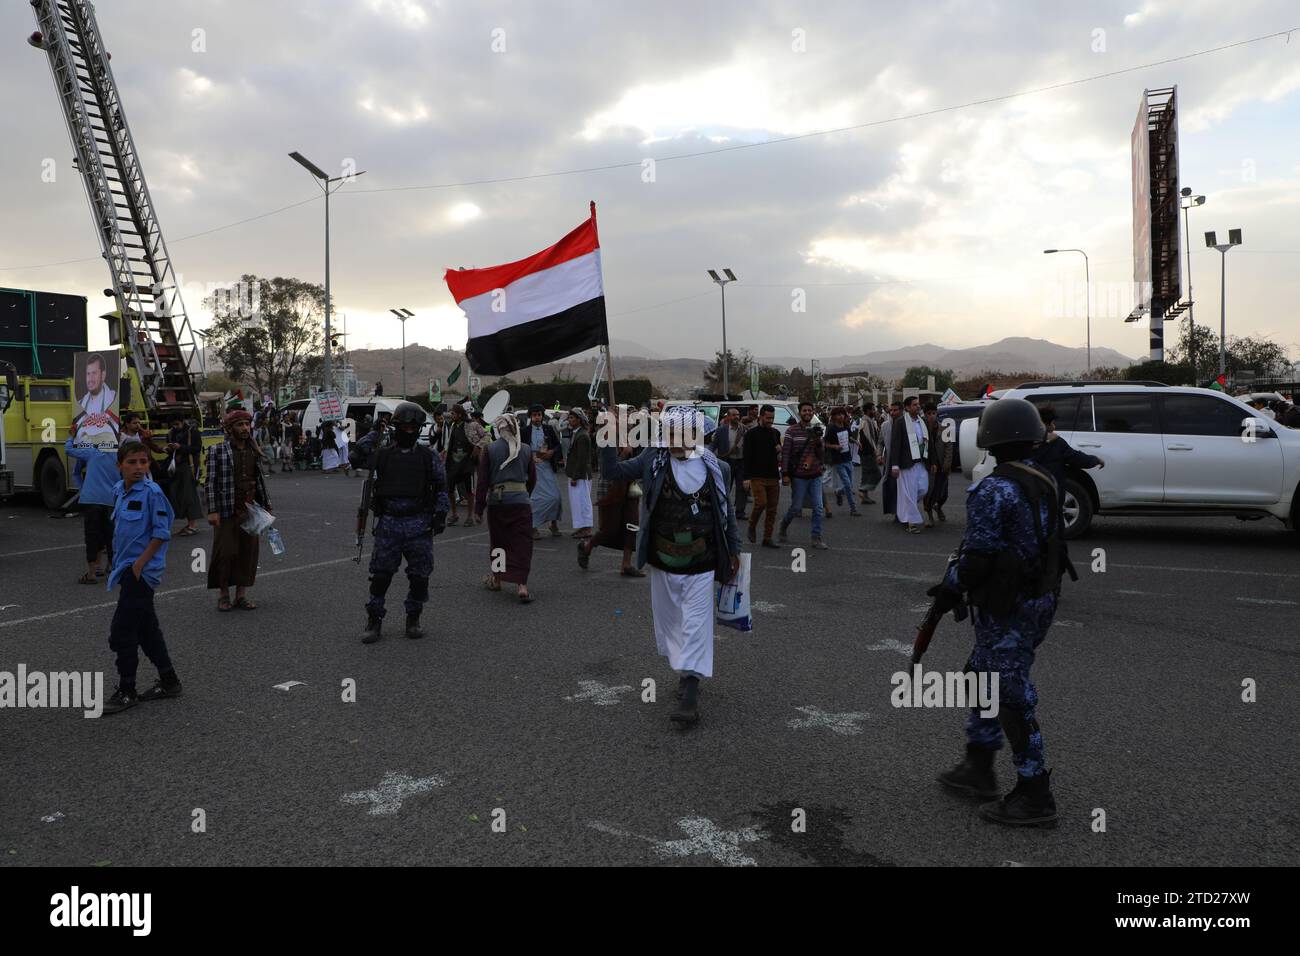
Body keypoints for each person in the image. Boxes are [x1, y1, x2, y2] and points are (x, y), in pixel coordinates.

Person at [931, 397, 1069, 826]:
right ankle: (979, 764)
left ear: (989, 439)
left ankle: (1034, 792)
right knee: (981, 675)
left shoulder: (993, 488)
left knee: (1009, 694)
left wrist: (950, 590)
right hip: (1039, 598)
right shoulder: (1043, 477)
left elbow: (978, 555)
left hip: (1007, 605)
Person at [598, 405, 741, 728]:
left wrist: (734, 550)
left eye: (681, 434)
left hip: (702, 561)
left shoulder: (718, 468)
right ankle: (685, 670)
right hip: (663, 561)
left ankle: (690, 693)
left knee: (695, 624)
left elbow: (726, 513)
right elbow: (613, 473)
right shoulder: (653, 459)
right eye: (670, 433)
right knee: (672, 624)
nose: (674, 440)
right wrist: (607, 435)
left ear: (697, 436)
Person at [355, 402, 449, 642]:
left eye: (412, 427)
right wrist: (375, 432)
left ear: (418, 430)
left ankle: (413, 618)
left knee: (420, 576)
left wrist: (440, 514)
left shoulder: (428, 457)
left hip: (419, 524)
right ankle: (374, 620)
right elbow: (355, 455)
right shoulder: (382, 453)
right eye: (404, 426)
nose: (408, 431)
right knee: (381, 576)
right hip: (389, 523)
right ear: (396, 427)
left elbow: (441, 487)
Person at [101, 441, 182, 715]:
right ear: (119, 465)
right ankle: (169, 680)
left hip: (142, 573)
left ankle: (127, 690)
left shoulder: (152, 493)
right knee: (147, 630)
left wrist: (139, 565)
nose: (138, 467)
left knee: (121, 632)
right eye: (132, 462)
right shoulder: (118, 491)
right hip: (125, 569)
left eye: (143, 462)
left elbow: (161, 533)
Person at [204, 408, 270, 611]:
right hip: (226, 510)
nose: (244, 428)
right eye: (239, 425)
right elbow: (210, 482)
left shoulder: (253, 450)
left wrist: (266, 507)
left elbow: (258, 482)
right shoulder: (217, 450)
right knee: (225, 553)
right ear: (230, 428)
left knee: (248, 553)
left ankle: (241, 595)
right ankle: (223, 595)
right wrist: (212, 510)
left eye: (246, 424)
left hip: (250, 509)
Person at [475, 410, 537, 602]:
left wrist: (478, 508)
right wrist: (523, 493)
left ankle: (498, 578)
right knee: (522, 542)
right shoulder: (526, 449)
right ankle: (522, 585)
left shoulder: (490, 449)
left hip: (498, 502)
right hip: (521, 501)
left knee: (499, 541)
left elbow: (483, 481)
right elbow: (532, 479)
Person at [1027, 406, 1104, 521]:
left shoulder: (1023, 444)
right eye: (1052, 423)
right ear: (1045, 424)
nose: (1054, 427)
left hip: (1031, 492)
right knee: (1053, 526)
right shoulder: (1056, 443)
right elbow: (1075, 458)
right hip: (1052, 492)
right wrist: (1095, 460)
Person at [577, 444, 641, 575]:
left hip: (629, 485)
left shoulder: (632, 434)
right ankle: (587, 547)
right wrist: (624, 454)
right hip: (610, 487)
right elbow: (608, 466)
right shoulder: (606, 436)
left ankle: (626, 565)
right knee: (609, 529)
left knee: (632, 525)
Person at [65, 429, 119, 583]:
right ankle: (114, 568)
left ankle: (92, 573)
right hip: (110, 500)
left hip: (92, 500)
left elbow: (68, 449)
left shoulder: (91, 453)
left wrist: (71, 435)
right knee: (111, 536)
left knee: (92, 536)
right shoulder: (118, 456)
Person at [778, 401, 828, 549]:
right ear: (800, 413)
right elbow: (786, 453)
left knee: (818, 508)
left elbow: (821, 454)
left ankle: (816, 538)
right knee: (796, 507)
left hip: (815, 475)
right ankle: (783, 526)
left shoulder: (817, 430)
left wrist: (818, 442)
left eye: (810, 410)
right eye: (804, 410)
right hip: (799, 476)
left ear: (813, 413)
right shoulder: (791, 431)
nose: (807, 413)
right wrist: (785, 474)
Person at [742, 404, 782, 548]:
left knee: (772, 509)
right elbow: (746, 457)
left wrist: (779, 450)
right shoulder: (751, 434)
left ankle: (767, 537)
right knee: (761, 503)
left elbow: (779, 456)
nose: (770, 420)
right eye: (768, 418)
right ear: (760, 417)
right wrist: (746, 478)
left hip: (773, 475)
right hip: (756, 476)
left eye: (772, 418)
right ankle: (752, 525)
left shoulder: (775, 433)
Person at [889, 396, 930, 533]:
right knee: (909, 494)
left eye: (918, 404)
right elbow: (895, 444)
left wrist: (933, 461)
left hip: (921, 462)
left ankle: (904, 513)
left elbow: (927, 442)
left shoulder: (922, 421)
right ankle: (911, 523)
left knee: (923, 489)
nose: (918, 407)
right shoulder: (901, 422)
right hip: (907, 464)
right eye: (914, 405)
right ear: (906, 407)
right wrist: (894, 465)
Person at [525, 403, 564, 539]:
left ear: (542, 416)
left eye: (539, 415)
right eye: (534, 415)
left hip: (547, 466)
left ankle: (553, 524)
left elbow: (558, 445)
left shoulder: (548, 429)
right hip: (532, 468)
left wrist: (551, 452)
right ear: (531, 416)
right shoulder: (525, 431)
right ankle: (533, 527)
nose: (537, 417)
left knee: (555, 497)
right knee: (534, 499)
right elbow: (520, 449)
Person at [166, 414, 204, 535]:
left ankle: (192, 525)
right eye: (173, 425)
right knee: (179, 495)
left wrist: (181, 447)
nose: (175, 427)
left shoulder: (192, 432)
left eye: (177, 424)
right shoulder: (171, 433)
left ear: (183, 421)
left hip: (189, 467)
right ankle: (189, 524)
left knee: (189, 495)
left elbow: (197, 448)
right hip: (177, 468)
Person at [72, 353, 119, 446]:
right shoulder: (80, 403)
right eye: (88, 374)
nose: (90, 379)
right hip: (84, 449)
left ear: (103, 375)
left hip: (107, 450)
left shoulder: (114, 399)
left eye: (94, 373)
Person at [711, 407, 749, 519]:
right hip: (727, 462)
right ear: (728, 417)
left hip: (741, 462)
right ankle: (724, 509)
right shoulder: (721, 430)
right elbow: (714, 445)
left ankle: (740, 511)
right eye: (733, 415)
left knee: (742, 488)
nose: (736, 417)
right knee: (726, 486)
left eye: (738, 415)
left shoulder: (745, 430)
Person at [443, 404, 476, 526]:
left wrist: (477, 448)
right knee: (450, 490)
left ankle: (470, 516)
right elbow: (449, 443)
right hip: (453, 462)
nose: (451, 415)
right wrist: (445, 452)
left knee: (469, 491)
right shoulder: (453, 426)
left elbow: (485, 436)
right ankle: (454, 514)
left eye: (453, 414)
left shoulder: (470, 425)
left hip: (466, 463)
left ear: (460, 414)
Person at [826, 407, 861, 517]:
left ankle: (839, 492)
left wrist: (856, 442)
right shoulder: (831, 428)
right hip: (838, 460)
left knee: (849, 484)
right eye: (838, 414)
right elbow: (825, 443)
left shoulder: (846, 426)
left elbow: (849, 437)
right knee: (847, 483)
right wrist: (835, 446)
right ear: (834, 416)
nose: (841, 416)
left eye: (842, 414)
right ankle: (853, 508)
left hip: (848, 458)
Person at [565, 408, 594, 538]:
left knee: (583, 502)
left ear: (579, 420)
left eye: (572, 418)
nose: (570, 420)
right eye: (569, 417)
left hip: (581, 475)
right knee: (577, 502)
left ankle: (587, 528)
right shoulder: (577, 433)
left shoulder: (582, 436)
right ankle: (581, 527)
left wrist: (575, 476)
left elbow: (582, 459)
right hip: (576, 474)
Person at [923, 404, 953, 526]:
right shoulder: (922, 429)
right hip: (928, 466)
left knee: (943, 493)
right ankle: (929, 515)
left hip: (942, 466)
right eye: (928, 413)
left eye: (933, 413)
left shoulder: (944, 428)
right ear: (925, 415)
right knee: (929, 492)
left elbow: (949, 447)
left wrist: (947, 464)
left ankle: (939, 507)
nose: (931, 416)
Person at [858, 403, 883, 504]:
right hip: (867, 452)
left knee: (867, 474)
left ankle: (865, 495)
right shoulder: (865, 421)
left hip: (869, 451)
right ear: (868, 410)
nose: (874, 411)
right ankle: (863, 490)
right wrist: (875, 450)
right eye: (873, 409)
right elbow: (866, 438)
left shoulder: (870, 420)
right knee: (876, 474)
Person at [880, 402, 900, 517]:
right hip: (890, 462)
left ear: (902, 411)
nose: (892, 413)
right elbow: (880, 442)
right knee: (892, 487)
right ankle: (896, 512)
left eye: (895, 410)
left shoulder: (908, 425)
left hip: (904, 462)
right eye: (891, 411)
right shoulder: (885, 426)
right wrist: (879, 454)